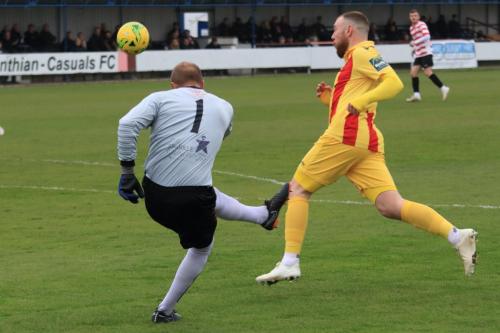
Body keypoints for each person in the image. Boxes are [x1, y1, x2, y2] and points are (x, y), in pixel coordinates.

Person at [255, 11, 477, 285]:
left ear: (349, 31)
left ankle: (289, 262)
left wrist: (359, 103)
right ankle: (457, 236)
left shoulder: (362, 53)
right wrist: (331, 99)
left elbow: (394, 83)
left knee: (298, 189)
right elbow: (356, 98)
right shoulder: (358, 58)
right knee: (390, 205)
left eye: (335, 29)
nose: (331, 34)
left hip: (346, 136)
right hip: (366, 140)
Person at [117, 62, 286, 323]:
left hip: (154, 196)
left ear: (172, 85)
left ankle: (262, 215)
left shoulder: (159, 98)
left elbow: (127, 124)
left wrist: (127, 172)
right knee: (201, 249)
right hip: (193, 198)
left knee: (209, 195)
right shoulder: (226, 106)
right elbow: (223, 133)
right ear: (203, 83)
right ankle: (164, 311)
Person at [406, 9, 450, 102]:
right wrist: (414, 48)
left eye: (415, 16)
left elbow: (427, 36)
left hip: (426, 52)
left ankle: (443, 88)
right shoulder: (411, 28)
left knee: (427, 72)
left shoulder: (421, 24)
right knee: (413, 73)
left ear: (418, 17)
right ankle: (416, 94)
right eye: (411, 16)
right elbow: (417, 41)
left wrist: (414, 43)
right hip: (418, 54)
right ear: (409, 18)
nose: (413, 17)